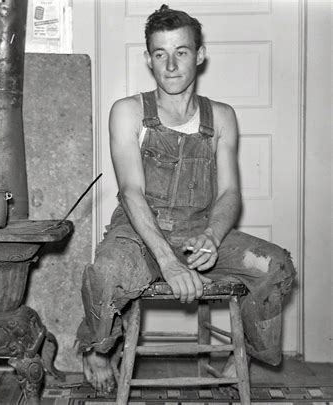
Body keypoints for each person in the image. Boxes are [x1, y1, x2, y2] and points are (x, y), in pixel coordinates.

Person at [76, 5, 295, 394]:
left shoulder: (221, 117)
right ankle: (96, 347)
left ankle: (237, 358)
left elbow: (229, 192)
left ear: (200, 54)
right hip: (140, 235)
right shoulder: (127, 112)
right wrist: (167, 262)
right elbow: (130, 192)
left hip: (199, 232)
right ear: (148, 59)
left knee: (276, 266)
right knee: (105, 274)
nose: (171, 65)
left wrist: (212, 235)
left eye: (181, 52)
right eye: (160, 54)